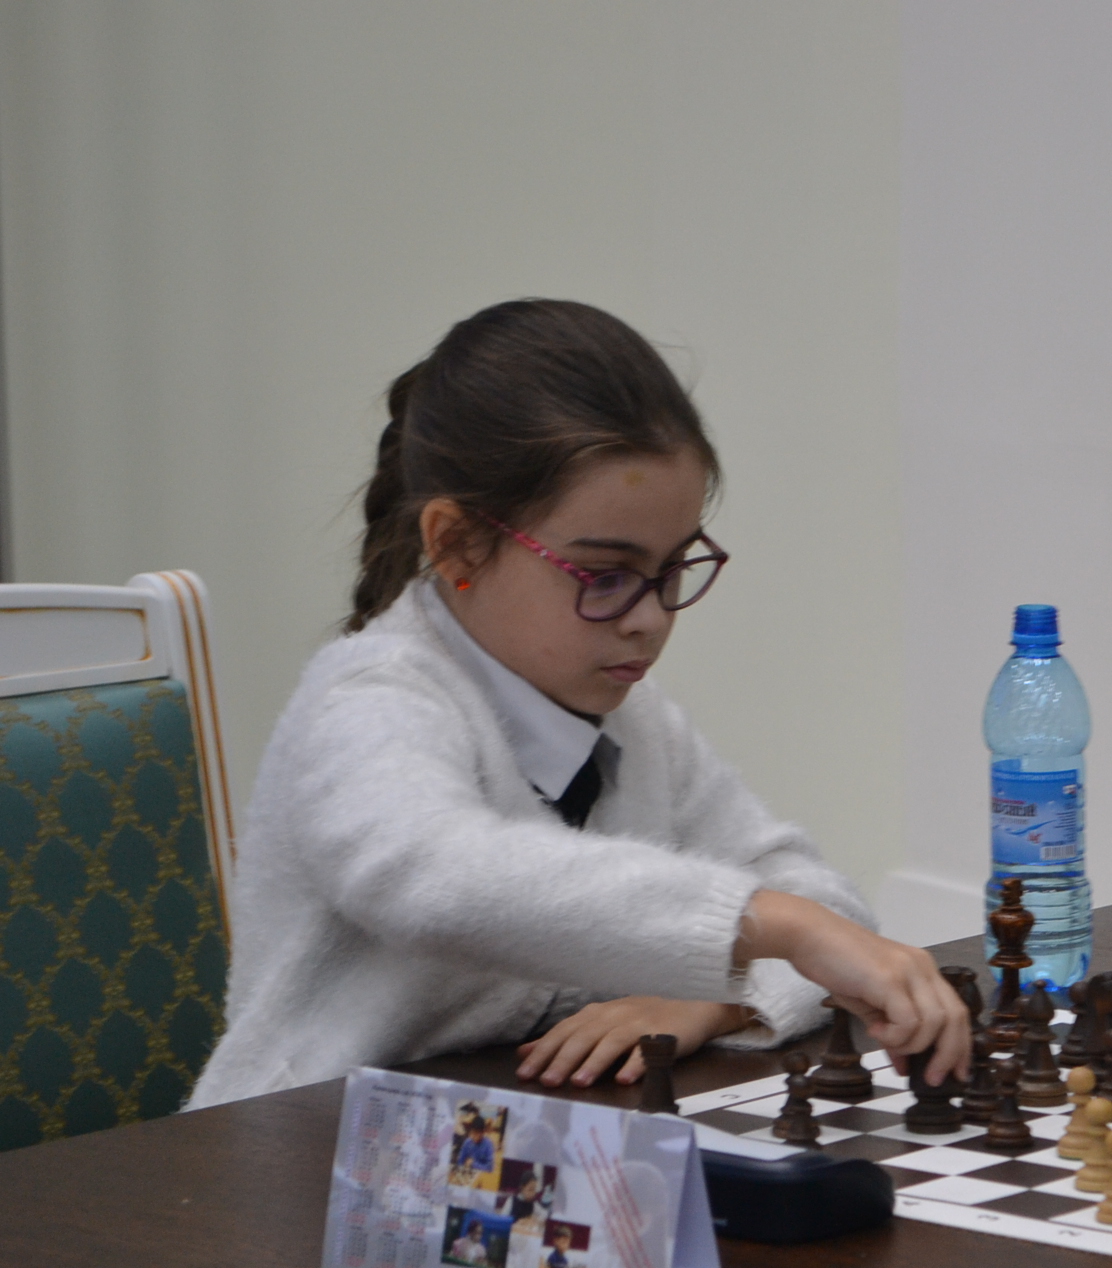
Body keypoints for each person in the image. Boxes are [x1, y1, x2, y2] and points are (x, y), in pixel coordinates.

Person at [190, 300, 969, 1107]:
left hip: (510, 1142)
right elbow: (433, 874)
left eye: (672, 570)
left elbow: (821, 899)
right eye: (603, 575)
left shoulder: (637, 720)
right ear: (456, 544)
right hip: (299, 1148)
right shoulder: (368, 697)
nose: (649, 618)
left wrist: (714, 999)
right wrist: (774, 928)